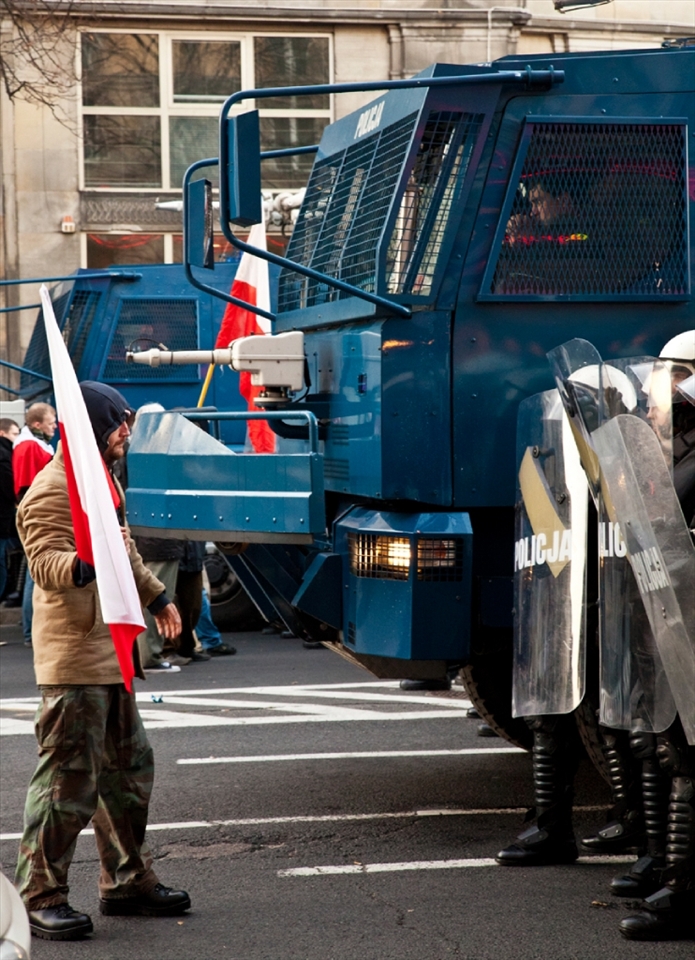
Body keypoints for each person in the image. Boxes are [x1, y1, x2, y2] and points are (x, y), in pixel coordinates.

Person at [14, 381, 190, 942]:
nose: (127, 434)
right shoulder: (53, 486)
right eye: (120, 424)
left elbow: (123, 547)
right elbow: (43, 560)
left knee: (128, 774)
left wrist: (156, 596)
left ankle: (126, 879)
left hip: (110, 653)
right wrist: (83, 566)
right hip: (75, 658)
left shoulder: (99, 480)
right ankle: (38, 895)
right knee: (67, 781)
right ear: (95, 426)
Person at [618, 331, 695, 941]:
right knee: (672, 747)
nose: (657, 394)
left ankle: (682, 891)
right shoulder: (674, 448)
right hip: (675, 611)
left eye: (672, 379)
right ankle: (670, 874)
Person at [13, 403, 57, 647]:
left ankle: (31, 627)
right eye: (51, 423)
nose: (54, 427)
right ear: (37, 424)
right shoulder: (30, 446)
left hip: (33, 513)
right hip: (38, 515)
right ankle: (31, 630)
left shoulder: (27, 443)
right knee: (35, 573)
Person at [0, 418, 20, 599]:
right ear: (2, 433)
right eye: (14, 434)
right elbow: (8, 486)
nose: (17, 438)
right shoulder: (4, 454)